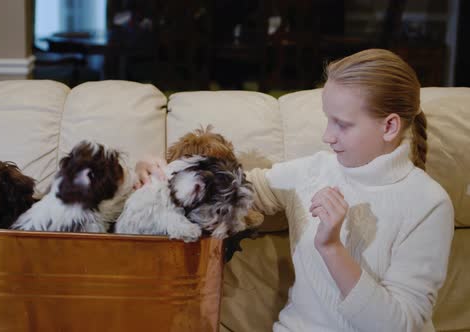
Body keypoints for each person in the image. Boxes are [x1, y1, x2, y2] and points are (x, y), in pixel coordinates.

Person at [134, 49, 454, 332]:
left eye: (342, 124)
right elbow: (227, 191)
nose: (328, 136)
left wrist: (332, 249)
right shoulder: (311, 171)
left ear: (389, 126)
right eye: (328, 120)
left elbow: (399, 325)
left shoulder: (428, 203)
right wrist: (157, 171)